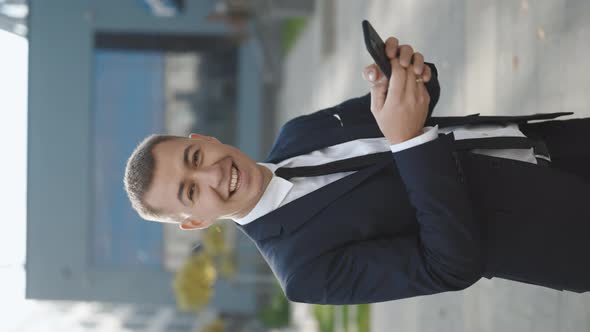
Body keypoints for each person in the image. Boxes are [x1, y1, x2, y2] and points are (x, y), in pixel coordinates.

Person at [124, 36, 590, 305]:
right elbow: (450, 267)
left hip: (553, 143)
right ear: (195, 222)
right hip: (561, 232)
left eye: (194, 160)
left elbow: (413, 110)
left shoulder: (297, 133)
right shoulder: (302, 271)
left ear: (204, 141)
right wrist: (407, 142)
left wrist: (409, 75)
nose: (209, 176)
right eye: (190, 193)